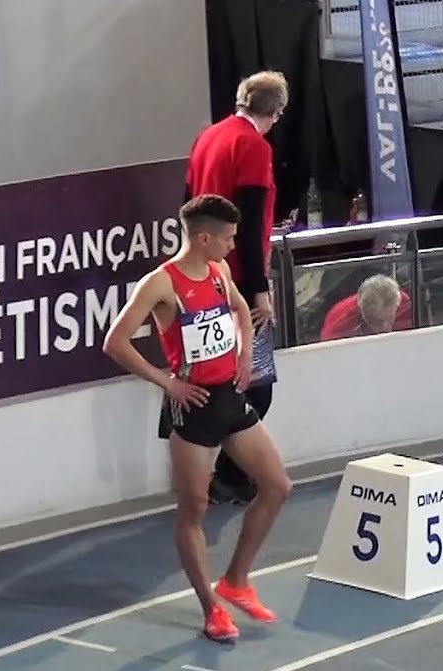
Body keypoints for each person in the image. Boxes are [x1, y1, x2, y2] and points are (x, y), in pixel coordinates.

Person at [103, 193, 293, 642]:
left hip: (229, 397)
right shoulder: (160, 284)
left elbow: (243, 314)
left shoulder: (220, 272)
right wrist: (167, 383)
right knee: (196, 510)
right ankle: (212, 609)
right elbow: (115, 342)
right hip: (193, 408)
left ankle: (236, 581)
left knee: (278, 487)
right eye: (227, 239)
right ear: (204, 238)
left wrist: (246, 353)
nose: (233, 247)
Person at [184, 70, 290, 507]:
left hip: (205, 275)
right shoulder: (253, 146)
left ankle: (219, 472)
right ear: (275, 112)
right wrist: (259, 288)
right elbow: (244, 223)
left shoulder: (208, 138)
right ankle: (230, 471)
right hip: (237, 281)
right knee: (255, 382)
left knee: (225, 375)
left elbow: (190, 202)